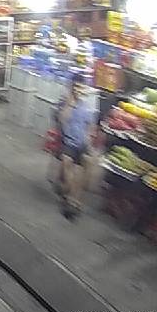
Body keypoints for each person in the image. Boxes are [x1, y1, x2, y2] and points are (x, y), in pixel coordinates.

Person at [54, 77, 102, 220]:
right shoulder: (64, 103)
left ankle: (75, 199)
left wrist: (90, 143)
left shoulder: (87, 106)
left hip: (82, 143)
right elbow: (62, 120)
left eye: (81, 87)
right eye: (75, 87)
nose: (78, 90)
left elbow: (91, 127)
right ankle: (70, 198)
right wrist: (70, 104)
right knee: (67, 162)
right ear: (71, 87)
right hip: (67, 142)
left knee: (89, 163)